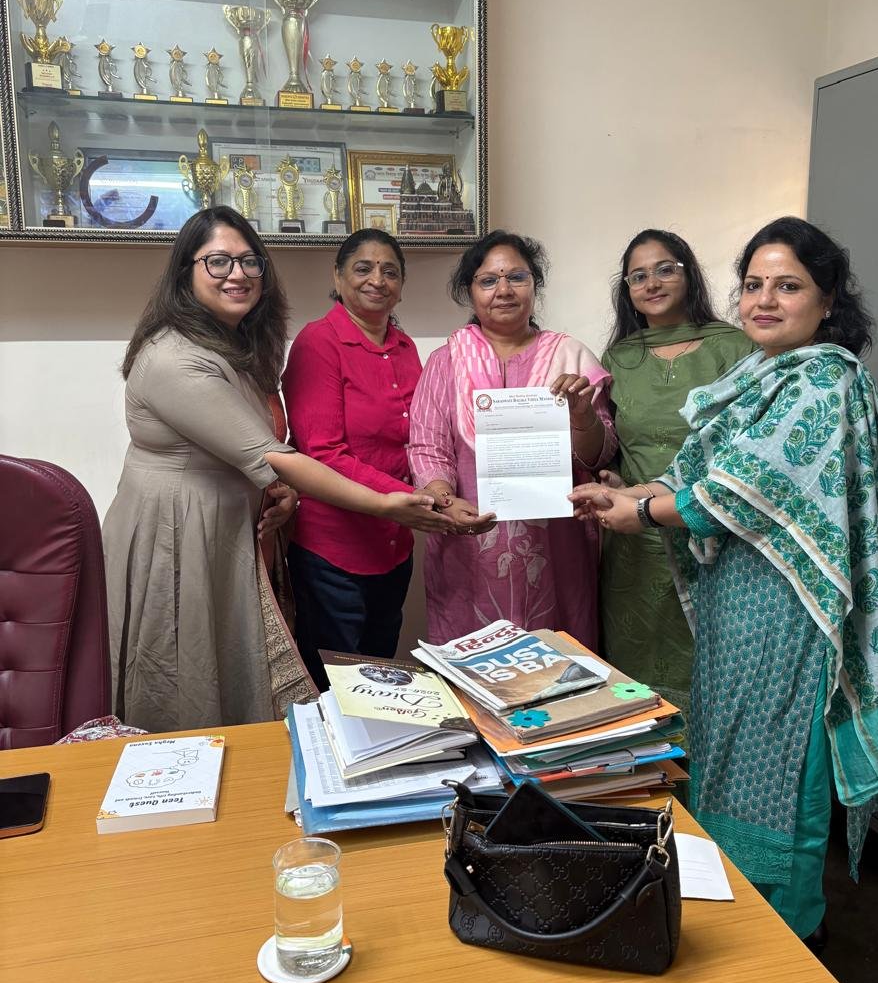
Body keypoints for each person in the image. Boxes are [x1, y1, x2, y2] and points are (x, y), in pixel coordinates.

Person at [571, 217, 878, 941]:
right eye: (753, 284)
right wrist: (629, 493)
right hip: (734, 606)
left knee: (780, 766)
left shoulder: (825, 379)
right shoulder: (756, 375)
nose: (765, 301)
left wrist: (643, 513)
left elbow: (745, 489)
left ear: (828, 300)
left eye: (788, 286)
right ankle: (739, 920)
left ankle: (793, 933)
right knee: (726, 748)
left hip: (791, 608)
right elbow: (697, 473)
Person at [103, 207, 451, 734]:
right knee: (183, 674)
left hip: (237, 532)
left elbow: (263, 450)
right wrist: (387, 503)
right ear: (185, 271)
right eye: (218, 261)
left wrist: (282, 489)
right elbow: (273, 453)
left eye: (250, 262)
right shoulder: (176, 356)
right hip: (179, 534)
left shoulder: (234, 346)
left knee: (238, 671)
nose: (237, 274)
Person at [408, 230, 617, 648]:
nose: (503, 290)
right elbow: (428, 446)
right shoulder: (446, 362)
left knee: (558, 660)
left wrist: (580, 415)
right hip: (469, 540)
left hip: (556, 544)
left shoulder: (570, 357)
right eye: (488, 280)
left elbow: (599, 456)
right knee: (475, 662)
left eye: (517, 277)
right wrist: (444, 501)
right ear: (470, 292)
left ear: (534, 285)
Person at [600, 230, 754, 712]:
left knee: (716, 674)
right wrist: (615, 480)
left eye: (665, 269)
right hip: (634, 540)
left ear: (689, 275)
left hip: (713, 534)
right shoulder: (619, 357)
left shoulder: (736, 347)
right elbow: (613, 444)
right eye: (638, 276)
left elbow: (748, 446)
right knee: (635, 682)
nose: (652, 283)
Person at [282, 230, 425, 687]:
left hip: (394, 545)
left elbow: (421, 437)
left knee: (382, 679)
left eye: (390, 271)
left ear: (401, 286)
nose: (377, 280)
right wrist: (412, 499)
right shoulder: (318, 342)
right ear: (338, 277)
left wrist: (438, 491)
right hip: (334, 552)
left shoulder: (405, 347)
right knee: (336, 686)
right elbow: (322, 452)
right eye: (363, 268)